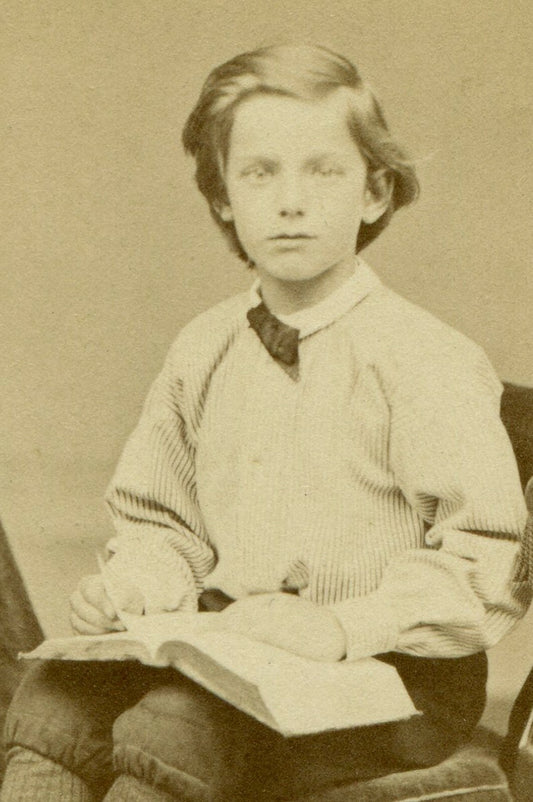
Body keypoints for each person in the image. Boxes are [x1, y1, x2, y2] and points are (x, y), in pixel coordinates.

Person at [2, 43, 530, 802]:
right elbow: (163, 520)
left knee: (173, 725)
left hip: (393, 676)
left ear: (375, 192)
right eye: (259, 173)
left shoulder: (423, 357)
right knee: (55, 700)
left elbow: (482, 558)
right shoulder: (202, 349)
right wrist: (137, 585)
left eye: (324, 171)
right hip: (235, 652)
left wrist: (341, 627)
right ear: (222, 197)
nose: (290, 202)